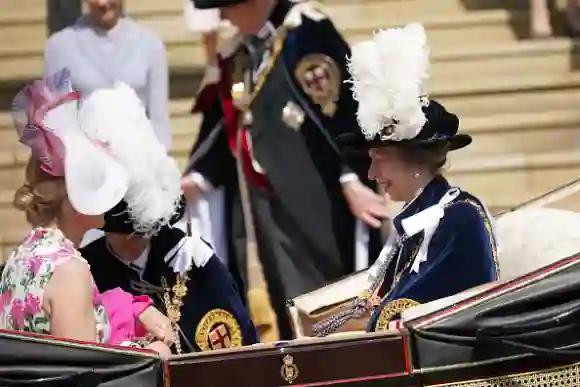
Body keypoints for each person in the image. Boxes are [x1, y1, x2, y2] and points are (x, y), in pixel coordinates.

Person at [181, 0, 385, 341]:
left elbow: (345, 111)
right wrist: (199, 175)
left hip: (316, 202)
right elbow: (222, 126)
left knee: (326, 302)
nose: (221, 15)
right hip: (263, 207)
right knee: (284, 302)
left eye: (227, 5)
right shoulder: (239, 52)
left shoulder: (306, 33)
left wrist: (351, 174)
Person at [320, 23, 499, 334]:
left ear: (414, 162)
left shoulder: (460, 218)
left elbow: (415, 312)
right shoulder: (416, 222)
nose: (372, 175)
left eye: (380, 161)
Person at [0, 69, 183, 356]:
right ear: (72, 200)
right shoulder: (69, 271)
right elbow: (84, 376)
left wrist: (129, 309)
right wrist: (152, 355)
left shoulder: (20, 257)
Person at [80, 198, 259, 353]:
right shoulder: (87, 266)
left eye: (141, 231)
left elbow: (238, 332)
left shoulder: (190, 256)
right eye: (124, 231)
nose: (133, 239)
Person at [43, 0, 172, 150]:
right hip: (84, 162)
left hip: (138, 162)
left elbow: (159, 122)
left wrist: (159, 164)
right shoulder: (59, 47)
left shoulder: (150, 44)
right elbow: (58, 122)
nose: (102, 3)